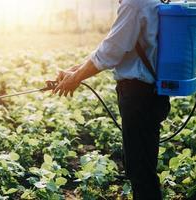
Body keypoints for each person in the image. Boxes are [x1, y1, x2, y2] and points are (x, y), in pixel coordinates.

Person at [49, 0, 171, 199]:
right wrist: (74, 70)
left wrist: (77, 77)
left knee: (140, 170)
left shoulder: (134, 3)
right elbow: (116, 48)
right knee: (143, 164)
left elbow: (110, 51)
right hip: (151, 92)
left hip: (138, 95)